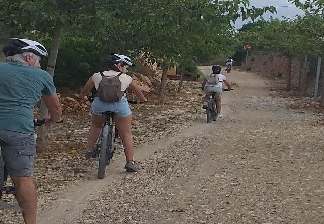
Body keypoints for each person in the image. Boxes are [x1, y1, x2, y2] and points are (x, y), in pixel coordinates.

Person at [0, 38, 62, 224]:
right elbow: (56, 109)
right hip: (19, 130)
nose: (39, 63)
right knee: (23, 179)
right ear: (28, 56)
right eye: (38, 59)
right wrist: (53, 119)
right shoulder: (42, 76)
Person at [80, 53, 147, 172]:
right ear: (119, 65)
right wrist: (143, 100)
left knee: (95, 126)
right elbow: (138, 92)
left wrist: (83, 97)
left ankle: (89, 150)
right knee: (126, 133)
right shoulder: (126, 78)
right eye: (125, 66)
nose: (126, 69)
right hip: (120, 107)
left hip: (99, 105)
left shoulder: (97, 76)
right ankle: (130, 162)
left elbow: (85, 91)